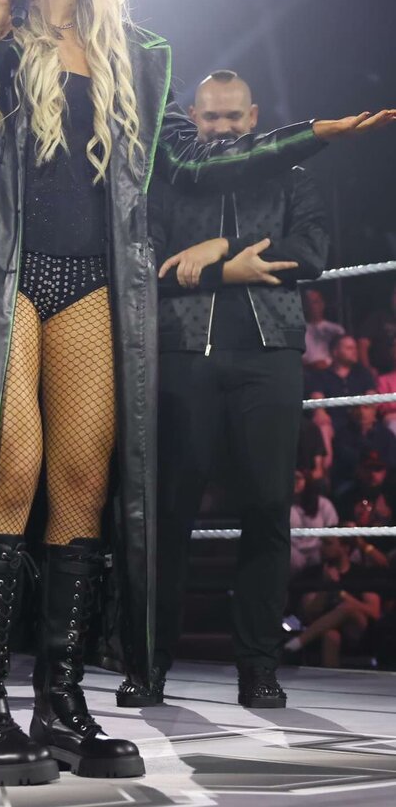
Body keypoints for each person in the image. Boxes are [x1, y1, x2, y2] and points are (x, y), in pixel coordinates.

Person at [0, 0, 394, 786]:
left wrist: (310, 134)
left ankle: (62, 704)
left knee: (83, 483)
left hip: (92, 280)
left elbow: (194, 165)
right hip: (5, 274)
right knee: (14, 471)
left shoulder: (136, 50)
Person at [117, 72, 330, 711]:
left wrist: (219, 249)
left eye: (234, 117)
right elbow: (144, 266)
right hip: (184, 356)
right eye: (211, 118)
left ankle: (259, 667)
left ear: (254, 117)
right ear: (192, 118)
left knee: (267, 508)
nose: (223, 129)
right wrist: (227, 270)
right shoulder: (168, 181)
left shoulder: (292, 175)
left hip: (271, 357)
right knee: (168, 515)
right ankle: (148, 666)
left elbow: (311, 253)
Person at [284, 532, 381, 667]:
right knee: (331, 635)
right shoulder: (313, 573)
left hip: (357, 630)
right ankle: (330, 679)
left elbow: (374, 612)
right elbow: (309, 613)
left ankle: (294, 644)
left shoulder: (361, 574)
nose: (322, 548)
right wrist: (327, 587)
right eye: (322, 543)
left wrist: (341, 594)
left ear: (345, 548)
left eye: (328, 543)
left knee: (347, 607)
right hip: (321, 630)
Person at [309, 334, 377, 437]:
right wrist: (320, 413)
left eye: (355, 348)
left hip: (358, 421)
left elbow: (371, 398)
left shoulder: (363, 374)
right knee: (322, 427)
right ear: (335, 352)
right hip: (334, 422)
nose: (355, 351)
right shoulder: (321, 375)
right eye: (349, 348)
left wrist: (367, 414)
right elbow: (317, 399)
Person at [290, 468, 338, 576]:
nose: (293, 482)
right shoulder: (282, 506)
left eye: (297, 478)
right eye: (290, 478)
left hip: (318, 552)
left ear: (307, 479)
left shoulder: (323, 504)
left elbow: (332, 532)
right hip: (292, 554)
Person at [302, 288, 344, 372]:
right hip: (307, 373)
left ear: (322, 304)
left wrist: (327, 363)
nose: (313, 306)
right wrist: (311, 365)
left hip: (332, 372)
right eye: (309, 302)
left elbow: (343, 353)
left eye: (316, 301)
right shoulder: (298, 331)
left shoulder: (336, 329)